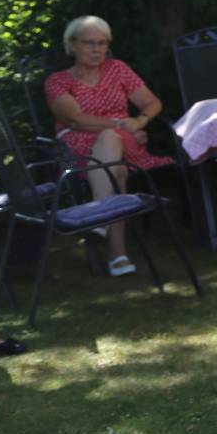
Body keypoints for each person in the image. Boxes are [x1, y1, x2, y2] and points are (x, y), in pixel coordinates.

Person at [44, 15, 171, 277]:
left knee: (112, 144)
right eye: (89, 43)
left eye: (102, 43)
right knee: (117, 168)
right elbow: (74, 119)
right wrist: (119, 124)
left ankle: (98, 215)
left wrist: (140, 120)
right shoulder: (57, 81)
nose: (96, 49)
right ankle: (118, 254)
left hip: (124, 144)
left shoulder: (118, 69)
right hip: (71, 157)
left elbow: (152, 103)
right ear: (72, 45)